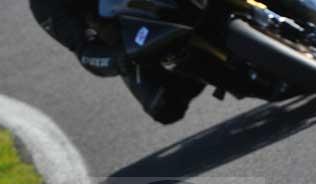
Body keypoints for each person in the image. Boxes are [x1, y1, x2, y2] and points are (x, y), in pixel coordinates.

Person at [28, 0, 206, 125]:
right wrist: (118, 58)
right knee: (165, 107)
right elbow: (85, 53)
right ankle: (199, 70)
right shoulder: (45, 5)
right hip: (134, 34)